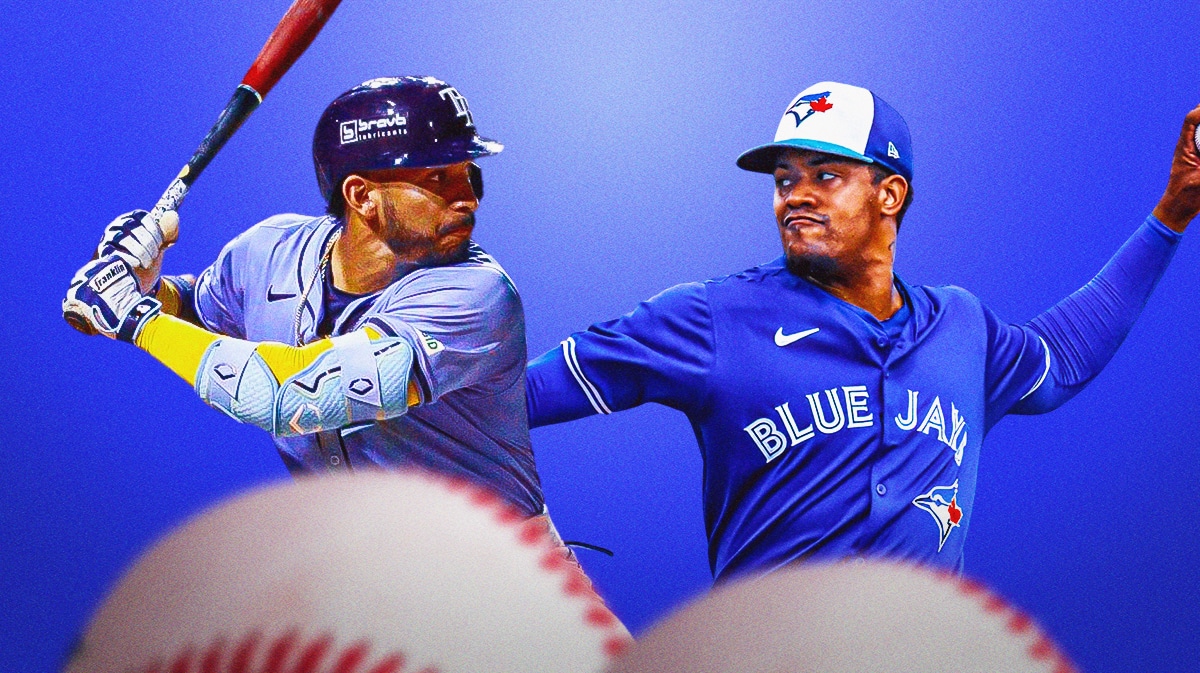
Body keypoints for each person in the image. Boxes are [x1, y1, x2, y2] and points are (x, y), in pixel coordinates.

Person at [525, 81, 1200, 582]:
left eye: (826, 175)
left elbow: (1062, 361)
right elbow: (514, 395)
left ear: (890, 195)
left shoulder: (961, 327)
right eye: (785, 179)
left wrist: (1171, 214)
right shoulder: (713, 317)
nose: (796, 194)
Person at [63, 76, 546, 521]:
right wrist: (145, 283)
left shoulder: (478, 296)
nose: (469, 197)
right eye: (439, 177)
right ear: (361, 196)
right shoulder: (269, 250)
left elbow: (289, 397)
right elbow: (193, 313)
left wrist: (137, 319)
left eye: (470, 172)